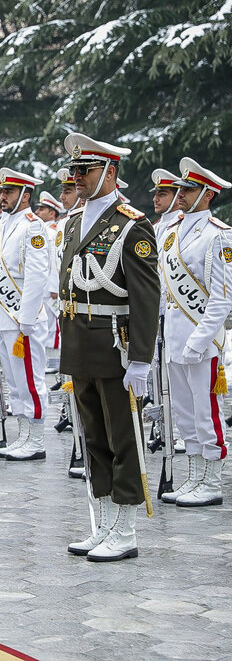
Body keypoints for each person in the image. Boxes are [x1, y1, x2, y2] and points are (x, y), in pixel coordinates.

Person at [59, 132, 160, 562]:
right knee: (93, 437)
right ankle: (102, 520)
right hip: (80, 340)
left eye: (85, 170)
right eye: (74, 170)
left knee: (123, 436)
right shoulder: (73, 221)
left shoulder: (132, 223)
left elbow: (146, 295)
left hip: (114, 343)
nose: (77, 178)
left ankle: (126, 526)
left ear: (110, 171)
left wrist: (141, 357)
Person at [159, 157, 231, 507]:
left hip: (202, 340)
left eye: (188, 189)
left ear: (207, 194)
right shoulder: (171, 230)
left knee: (207, 412)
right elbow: (163, 288)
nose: (181, 194)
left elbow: (222, 299)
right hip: (173, 336)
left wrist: (199, 340)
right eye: (182, 188)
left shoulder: (219, 235)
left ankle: (212, 481)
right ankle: (193, 476)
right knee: (185, 415)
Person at [0, 168, 51, 462]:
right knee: (13, 381)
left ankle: (36, 438)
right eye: (0, 192)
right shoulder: (1, 225)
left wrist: (25, 319)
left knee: (29, 379)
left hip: (22, 319)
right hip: (2, 316)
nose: (1, 197)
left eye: (8, 192)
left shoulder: (33, 227)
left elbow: (37, 276)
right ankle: (23, 434)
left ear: (25, 195)